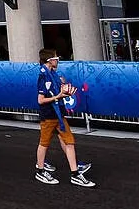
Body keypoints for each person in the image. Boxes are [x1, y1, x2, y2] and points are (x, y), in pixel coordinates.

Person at [35, 49, 94, 188]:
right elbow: (41, 100)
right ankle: (40, 170)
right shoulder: (43, 76)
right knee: (44, 143)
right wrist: (59, 96)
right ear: (49, 60)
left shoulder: (54, 74)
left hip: (59, 115)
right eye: (56, 58)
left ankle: (75, 174)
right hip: (49, 115)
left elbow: (59, 89)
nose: (58, 60)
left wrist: (65, 91)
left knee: (69, 142)